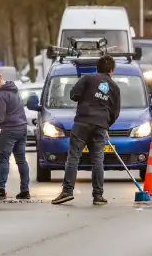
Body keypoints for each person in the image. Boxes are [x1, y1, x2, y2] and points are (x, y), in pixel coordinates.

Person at [52, 54, 121, 206]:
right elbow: (115, 112)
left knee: (74, 157)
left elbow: (73, 95)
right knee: (98, 160)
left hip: (82, 122)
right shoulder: (115, 88)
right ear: (111, 70)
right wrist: (105, 124)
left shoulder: (88, 78)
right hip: (100, 125)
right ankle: (98, 195)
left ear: (97, 67)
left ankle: (67, 192)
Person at [0, 70, 29, 200]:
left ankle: (0, 189)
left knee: (3, 158)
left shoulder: (1, 95)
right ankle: (25, 190)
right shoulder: (14, 90)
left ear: (0, 80)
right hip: (22, 128)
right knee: (21, 160)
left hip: (10, 130)